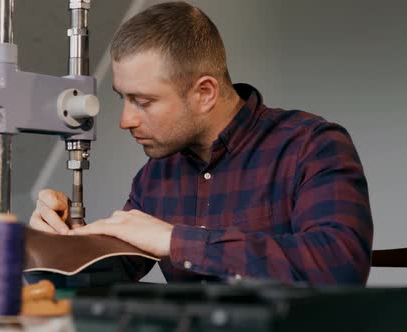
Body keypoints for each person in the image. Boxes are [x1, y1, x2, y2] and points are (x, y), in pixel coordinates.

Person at [29, 1, 373, 285]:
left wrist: (176, 241)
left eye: (143, 102)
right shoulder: (156, 176)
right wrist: (56, 243)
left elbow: (341, 264)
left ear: (204, 93)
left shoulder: (311, 146)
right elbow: (110, 271)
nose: (125, 121)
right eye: (122, 98)